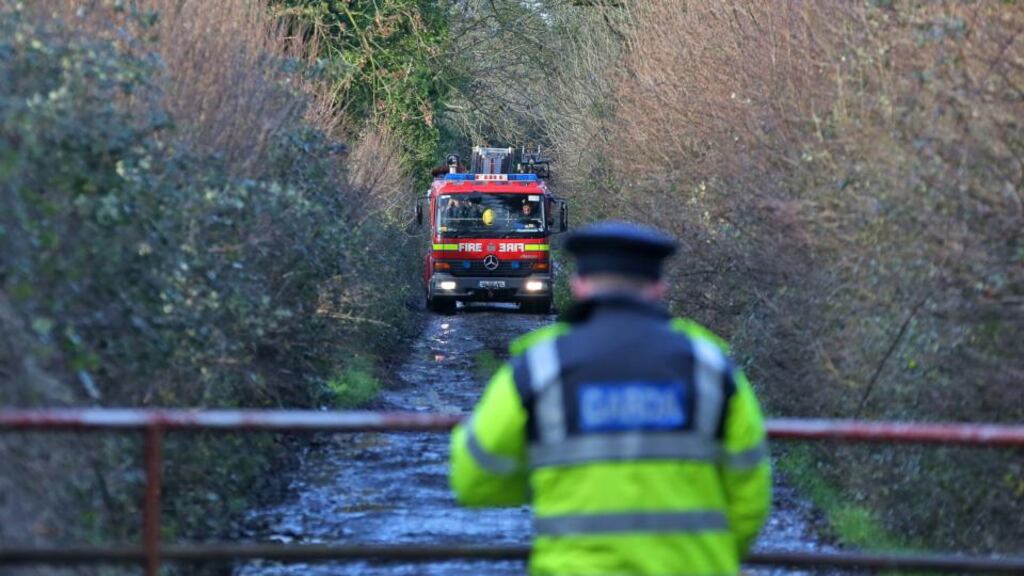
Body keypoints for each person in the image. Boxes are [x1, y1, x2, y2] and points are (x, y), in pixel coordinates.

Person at [449, 220, 772, 575]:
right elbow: (750, 496)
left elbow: (472, 480)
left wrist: (551, 477)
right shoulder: (710, 365)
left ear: (579, 285)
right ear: (658, 288)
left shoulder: (540, 365)